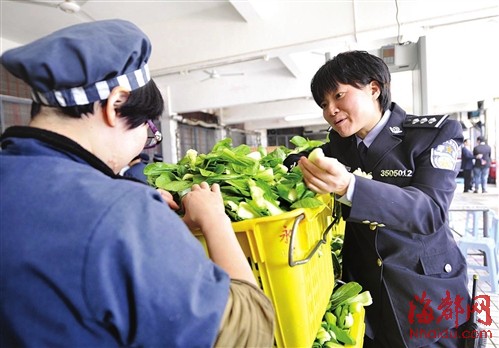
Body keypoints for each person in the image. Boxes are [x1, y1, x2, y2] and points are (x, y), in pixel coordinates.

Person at [0, 20, 274, 347]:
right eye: (146, 124)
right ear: (116, 104)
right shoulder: (124, 213)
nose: (146, 136)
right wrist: (214, 219)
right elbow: (250, 331)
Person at [284, 51, 470, 348]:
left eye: (338, 95)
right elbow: (297, 159)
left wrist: (350, 187)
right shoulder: (339, 146)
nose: (330, 110)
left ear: (373, 88)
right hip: (368, 298)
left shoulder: (431, 134)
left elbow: (430, 210)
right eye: (323, 104)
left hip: (425, 295)